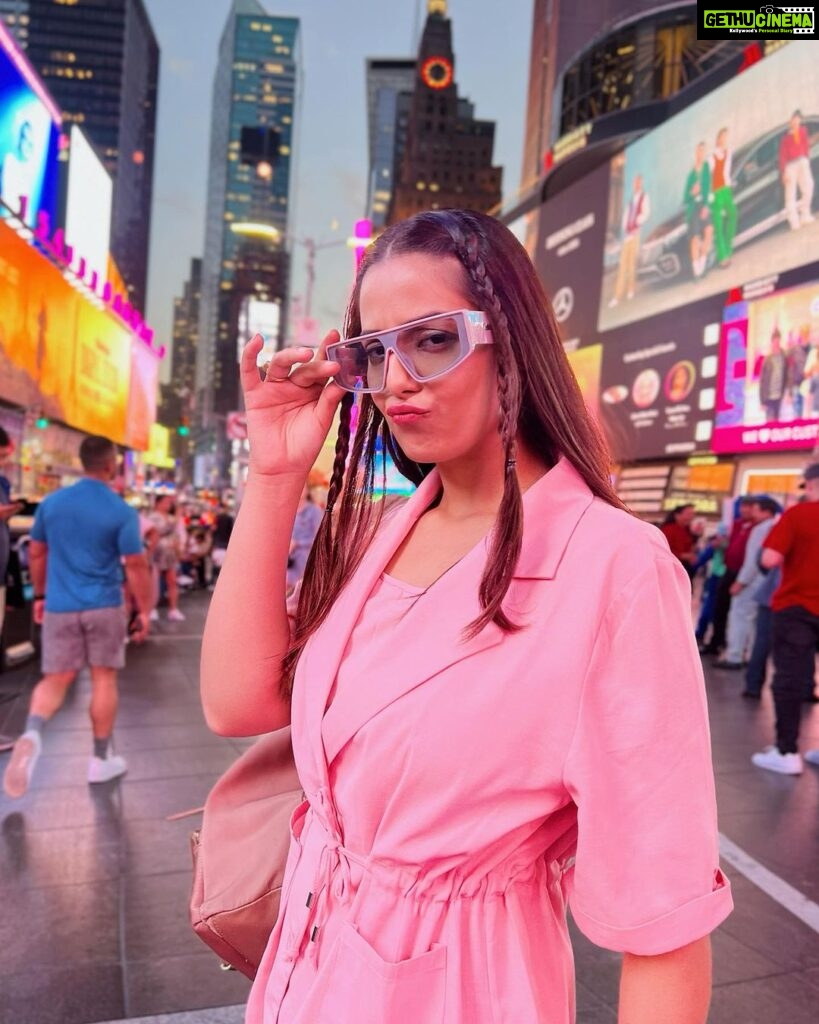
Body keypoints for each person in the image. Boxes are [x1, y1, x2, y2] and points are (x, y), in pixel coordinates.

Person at [201, 209, 731, 1024]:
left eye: (433, 339)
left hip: (461, 994)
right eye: (373, 353)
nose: (398, 379)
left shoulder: (612, 570)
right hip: (304, 980)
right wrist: (273, 474)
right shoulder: (378, 534)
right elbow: (238, 702)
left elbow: (662, 927)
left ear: (509, 338)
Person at [2, 435, 152, 798]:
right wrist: (143, 610)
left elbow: (37, 554)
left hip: (60, 606)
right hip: (104, 606)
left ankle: (33, 732)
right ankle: (100, 760)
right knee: (103, 680)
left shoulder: (52, 505)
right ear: (110, 465)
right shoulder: (120, 510)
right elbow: (135, 564)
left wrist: (39, 595)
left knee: (55, 680)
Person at [754, 463, 819, 774]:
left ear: (809, 483)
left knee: (790, 678)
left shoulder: (798, 514)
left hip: (798, 608)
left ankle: (787, 751)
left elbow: (770, 558)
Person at [718, 496, 780, 669]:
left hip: (752, 581)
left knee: (739, 617)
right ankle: (750, 656)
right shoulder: (775, 527)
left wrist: (741, 581)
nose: (752, 512)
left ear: (766, 511)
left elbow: (753, 559)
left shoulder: (761, 529)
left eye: (755, 508)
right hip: (765, 582)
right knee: (754, 623)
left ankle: (734, 656)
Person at [701, 496, 755, 657]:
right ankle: (716, 642)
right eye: (743, 506)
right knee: (719, 608)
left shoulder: (756, 527)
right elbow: (729, 545)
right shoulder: (737, 525)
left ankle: (736, 650)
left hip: (743, 573)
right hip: (728, 570)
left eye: (749, 507)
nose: (745, 510)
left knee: (740, 612)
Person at [608, 173, 650, 308]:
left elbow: (645, 213)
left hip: (636, 234)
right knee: (622, 266)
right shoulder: (631, 201)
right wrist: (626, 229)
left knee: (632, 264)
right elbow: (625, 219)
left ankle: (631, 290)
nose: (636, 184)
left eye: (638, 182)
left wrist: (637, 222)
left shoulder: (644, 197)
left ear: (641, 183)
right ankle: (617, 296)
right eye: (635, 182)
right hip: (627, 237)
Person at [742, 565, 781, 701]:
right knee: (799, 649)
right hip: (800, 599)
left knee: (763, 642)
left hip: (776, 595)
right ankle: (804, 688)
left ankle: (753, 685)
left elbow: (764, 560)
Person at [148, 493, 185, 621]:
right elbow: (161, 530)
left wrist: (178, 547)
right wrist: (176, 518)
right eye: (166, 502)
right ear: (158, 503)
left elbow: (176, 533)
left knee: (172, 581)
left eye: (170, 503)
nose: (168, 505)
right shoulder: (153, 517)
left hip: (170, 553)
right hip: (157, 552)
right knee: (154, 582)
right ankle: (152, 608)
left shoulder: (171, 517)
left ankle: (173, 609)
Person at [779, 109, 815, 232]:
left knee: (808, 187)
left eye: (797, 119)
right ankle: (794, 221)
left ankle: (805, 214)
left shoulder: (803, 131)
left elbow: (806, 146)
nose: (795, 122)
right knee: (790, 194)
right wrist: (783, 172)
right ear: (790, 121)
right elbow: (782, 156)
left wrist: (806, 159)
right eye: (793, 119)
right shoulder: (785, 138)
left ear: (799, 120)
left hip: (802, 162)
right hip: (790, 166)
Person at [683, 141, 714, 279]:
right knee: (694, 238)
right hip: (693, 207)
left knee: (709, 231)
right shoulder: (691, 175)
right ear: (696, 153)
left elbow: (708, 188)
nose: (701, 153)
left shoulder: (707, 168)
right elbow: (685, 197)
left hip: (704, 204)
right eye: (699, 151)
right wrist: (692, 192)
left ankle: (702, 262)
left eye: (703, 150)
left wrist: (706, 205)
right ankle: (696, 271)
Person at [286, 481, 323, 593]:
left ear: (307, 490)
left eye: (303, 487)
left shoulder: (314, 511)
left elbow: (319, 538)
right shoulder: (288, 510)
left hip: (304, 559)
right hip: (287, 559)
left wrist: (297, 543)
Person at [709, 127, 737, 267]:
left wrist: (730, 185)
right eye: (723, 137)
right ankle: (722, 258)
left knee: (732, 215)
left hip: (726, 190)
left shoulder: (729, 153)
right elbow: (709, 176)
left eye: (727, 137)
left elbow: (727, 171)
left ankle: (727, 250)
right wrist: (710, 196)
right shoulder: (712, 157)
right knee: (718, 225)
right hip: (716, 192)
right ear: (718, 139)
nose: (725, 139)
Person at [660, 503, 697, 576]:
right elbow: (663, 551)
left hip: (684, 567)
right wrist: (684, 556)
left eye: (693, 514)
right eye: (688, 514)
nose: (691, 517)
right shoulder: (668, 529)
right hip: (671, 569)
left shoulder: (687, 529)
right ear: (677, 515)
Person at [759, 329, 788, 422]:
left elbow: (787, 376)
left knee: (778, 425)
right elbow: (762, 381)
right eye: (775, 341)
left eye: (778, 340)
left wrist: (787, 393)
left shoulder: (784, 356)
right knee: (770, 424)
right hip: (769, 398)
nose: (776, 343)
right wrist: (762, 401)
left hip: (779, 397)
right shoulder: (767, 359)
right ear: (772, 342)